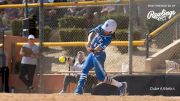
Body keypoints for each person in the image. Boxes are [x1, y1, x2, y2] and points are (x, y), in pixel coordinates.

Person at [74, 19, 127, 95]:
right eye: (104, 28)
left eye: (106, 30)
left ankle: (121, 85)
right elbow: (92, 33)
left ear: (111, 32)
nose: (104, 30)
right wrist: (89, 41)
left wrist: (90, 49)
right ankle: (79, 90)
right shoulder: (101, 27)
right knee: (84, 69)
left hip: (99, 56)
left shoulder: (108, 39)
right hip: (92, 54)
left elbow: (97, 49)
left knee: (101, 78)